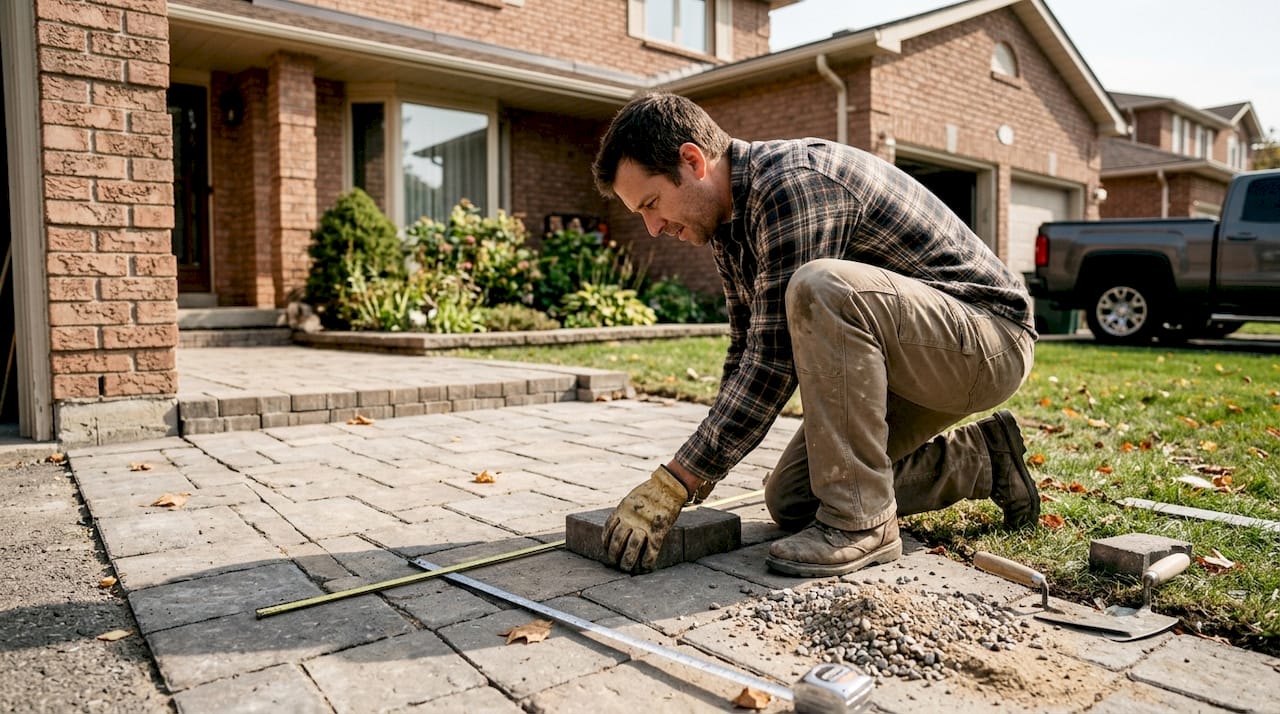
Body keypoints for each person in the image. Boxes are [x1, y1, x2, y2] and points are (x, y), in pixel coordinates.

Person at [594, 92, 1039, 577]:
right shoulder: (729, 224)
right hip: (915, 357)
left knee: (821, 286)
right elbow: (746, 351)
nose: (653, 227)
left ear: (692, 160)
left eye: (653, 204)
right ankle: (984, 460)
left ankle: (862, 525)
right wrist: (695, 471)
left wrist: (677, 479)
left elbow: (773, 362)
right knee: (793, 499)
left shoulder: (792, 184)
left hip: (988, 339)